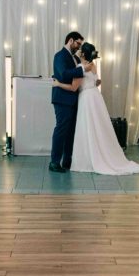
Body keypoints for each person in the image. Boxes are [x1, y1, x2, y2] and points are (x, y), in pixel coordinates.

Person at [68, 42, 139, 175]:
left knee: (88, 127)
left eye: (80, 51)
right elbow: (95, 81)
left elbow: (74, 87)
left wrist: (57, 83)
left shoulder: (81, 67)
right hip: (96, 97)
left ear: (83, 54)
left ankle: (88, 158)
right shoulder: (93, 66)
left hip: (86, 98)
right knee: (99, 126)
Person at [49, 31, 85, 173]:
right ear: (70, 40)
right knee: (61, 130)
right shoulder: (60, 56)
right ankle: (54, 162)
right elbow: (63, 74)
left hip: (74, 99)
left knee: (71, 132)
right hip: (62, 99)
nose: (79, 47)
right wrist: (82, 70)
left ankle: (67, 161)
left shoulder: (75, 58)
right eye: (78, 44)